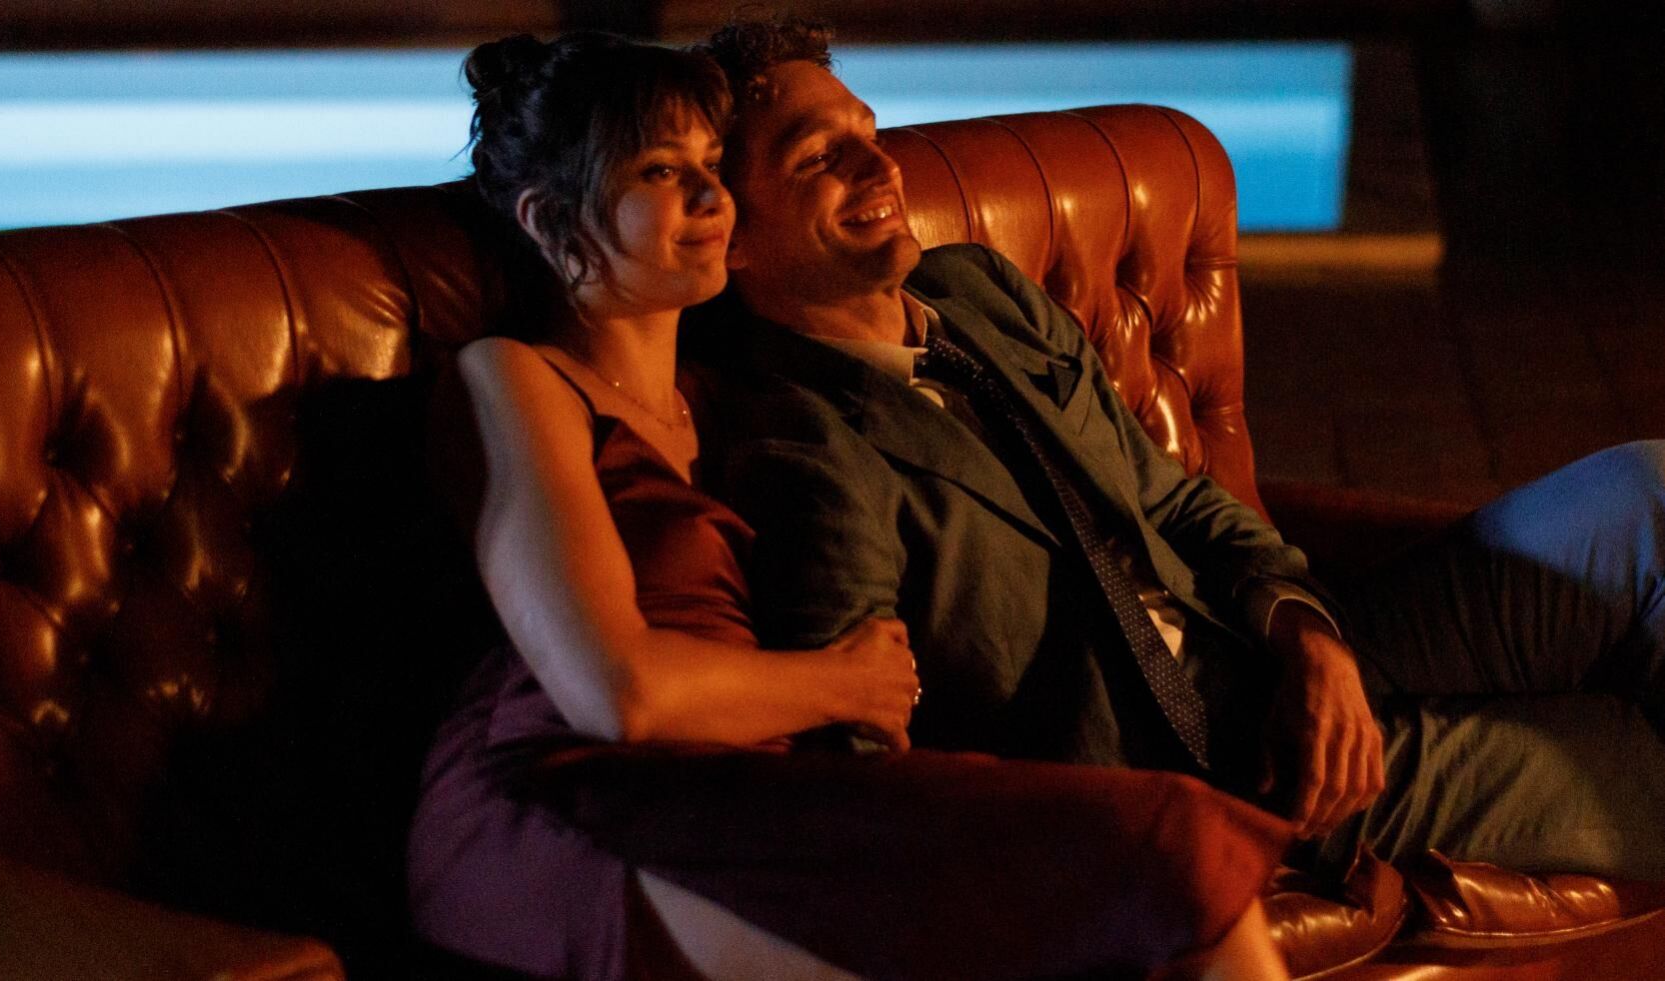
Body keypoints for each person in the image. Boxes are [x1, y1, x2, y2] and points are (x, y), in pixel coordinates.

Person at [688, 14, 1665, 884]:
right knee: (1633, 755)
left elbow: (1169, 500)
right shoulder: (803, 449)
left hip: (1261, 639)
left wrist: (1305, 634)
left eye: (867, 130)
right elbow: (862, 765)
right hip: (1207, 765)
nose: (878, 168)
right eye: (819, 159)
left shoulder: (975, 291)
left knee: (1646, 489)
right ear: (732, 236)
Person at [410, 30, 1294, 981]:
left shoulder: (732, 400)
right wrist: (843, 682)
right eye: (663, 172)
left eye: (713, 166)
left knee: (1163, 861)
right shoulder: (515, 378)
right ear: (549, 219)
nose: (712, 197)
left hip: (746, 783)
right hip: (563, 800)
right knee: (1166, 845)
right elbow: (618, 694)